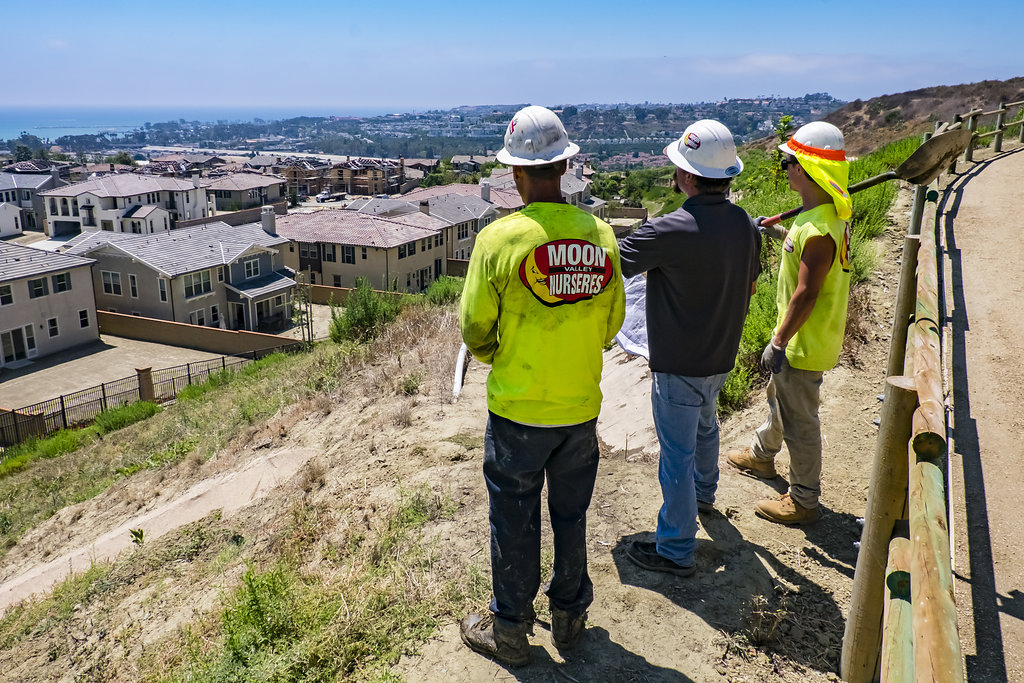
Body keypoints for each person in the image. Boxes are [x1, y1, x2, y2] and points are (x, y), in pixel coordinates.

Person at [458, 105, 625, 667]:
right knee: (571, 515)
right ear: (566, 166)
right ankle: (571, 618)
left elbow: (475, 328)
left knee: (514, 517)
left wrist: (497, 355)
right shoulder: (600, 235)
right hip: (579, 409)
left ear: (515, 174)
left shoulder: (498, 240)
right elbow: (612, 326)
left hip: (517, 412)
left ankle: (510, 630)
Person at [617, 120, 761, 576]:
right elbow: (752, 285)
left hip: (679, 361)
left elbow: (612, 260)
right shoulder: (744, 225)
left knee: (675, 452)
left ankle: (675, 548)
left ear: (685, 176)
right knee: (705, 427)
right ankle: (705, 496)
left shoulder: (669, 229)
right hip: (721, 355)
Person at [727, 121, 852, 525]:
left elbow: (807, 293)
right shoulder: (823, 216)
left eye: (787, 162)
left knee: (800, 420)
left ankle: (803, 499)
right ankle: (762, 456)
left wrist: (779, 341)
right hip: (805, 336)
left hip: (802, 340)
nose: (785, 168)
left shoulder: (817, 231)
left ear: (805, 168)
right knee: (780, 400)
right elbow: (808, 254)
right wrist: (778, 230)